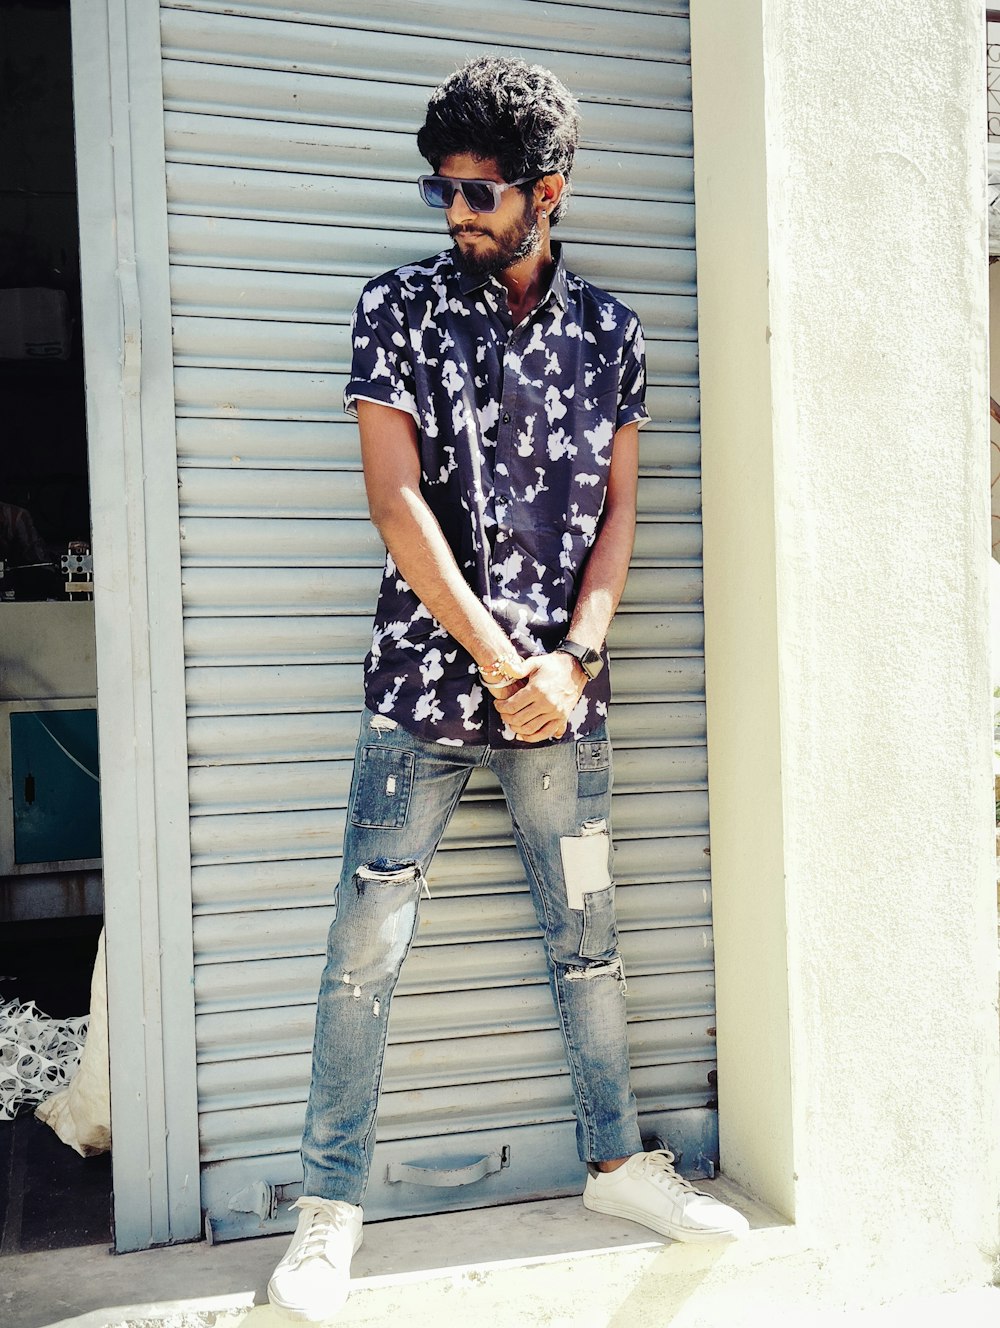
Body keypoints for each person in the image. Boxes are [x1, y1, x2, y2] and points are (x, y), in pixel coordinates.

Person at [268, 56, 748, 1323]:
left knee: (589, 939)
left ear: (551, 190)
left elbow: (621, 511)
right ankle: (328, 1214)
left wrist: (575, 659)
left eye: (478, 191)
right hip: (427, 687)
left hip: (562, 694)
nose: (455, 213)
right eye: (442, 190)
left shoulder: (612, 337)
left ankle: (615, 1164)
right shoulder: (399, 308)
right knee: (363, 948)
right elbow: (395, 501)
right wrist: (501, 661)